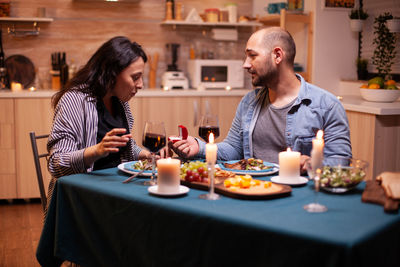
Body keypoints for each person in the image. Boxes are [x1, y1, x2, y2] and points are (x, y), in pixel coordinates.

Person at [169, 27, 352, 171]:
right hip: (252, 189)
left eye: (252, 56)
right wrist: (199, 147)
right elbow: (233, 149)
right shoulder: (250, 101)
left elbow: (341, 165)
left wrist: (312, 163)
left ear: (277, 55)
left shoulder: (326, 106)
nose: (245, 64)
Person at [47, 36, 164, 205]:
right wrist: (96, 151)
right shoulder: (74, 100)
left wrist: (146, 155)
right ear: (112, 73)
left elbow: (123, 146)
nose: (140, 85)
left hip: (118, 188)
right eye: (135, 77)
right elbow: (56, 163)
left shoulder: (120, 102)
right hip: (84, 197)